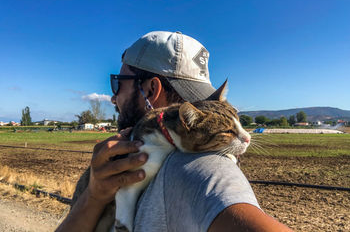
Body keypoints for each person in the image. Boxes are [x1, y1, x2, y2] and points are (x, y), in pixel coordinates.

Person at [56, 31, 292, 232]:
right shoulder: (124, 157)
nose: (112, 97)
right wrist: (94, 197)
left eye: (118, 83)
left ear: (150, 89)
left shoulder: (200, 166)